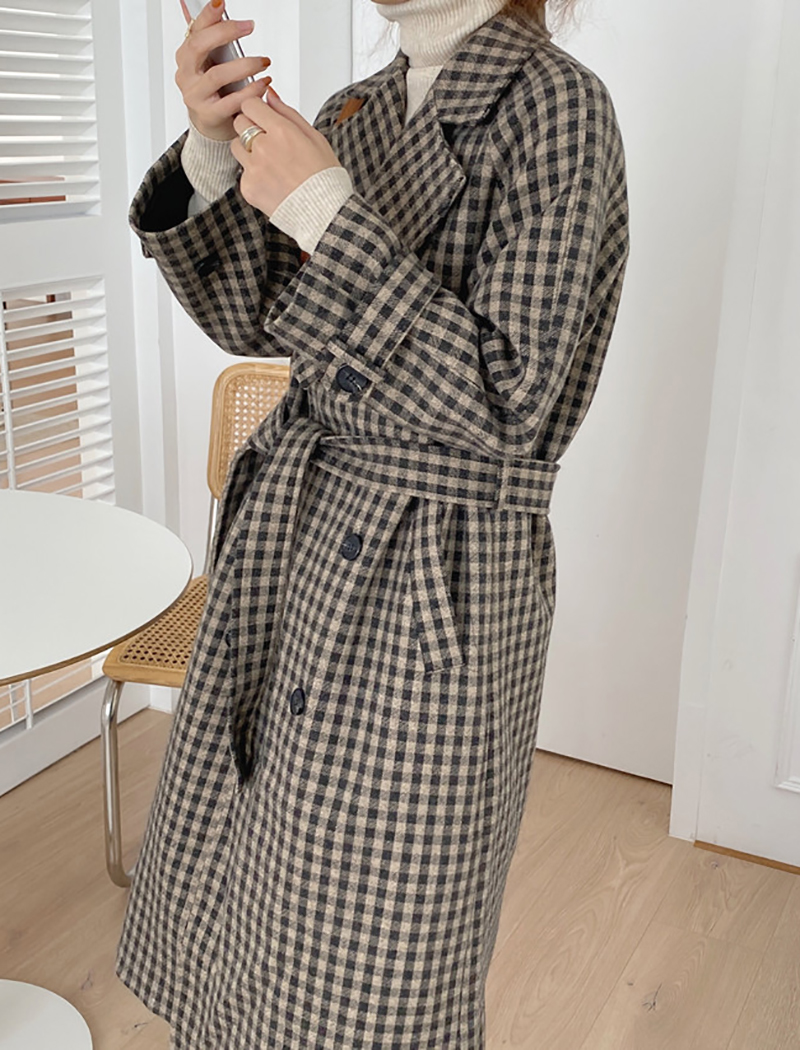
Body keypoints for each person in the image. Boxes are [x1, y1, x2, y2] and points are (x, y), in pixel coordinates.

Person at [114, 0, 630, 1046]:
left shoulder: (557, 107)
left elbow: (512, 404)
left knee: (377, 940)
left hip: (434, 571)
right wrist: (213, 155)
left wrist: (325, 211)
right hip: (299, 540)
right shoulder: (357, 110)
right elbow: (262, 319)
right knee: (251, 871)